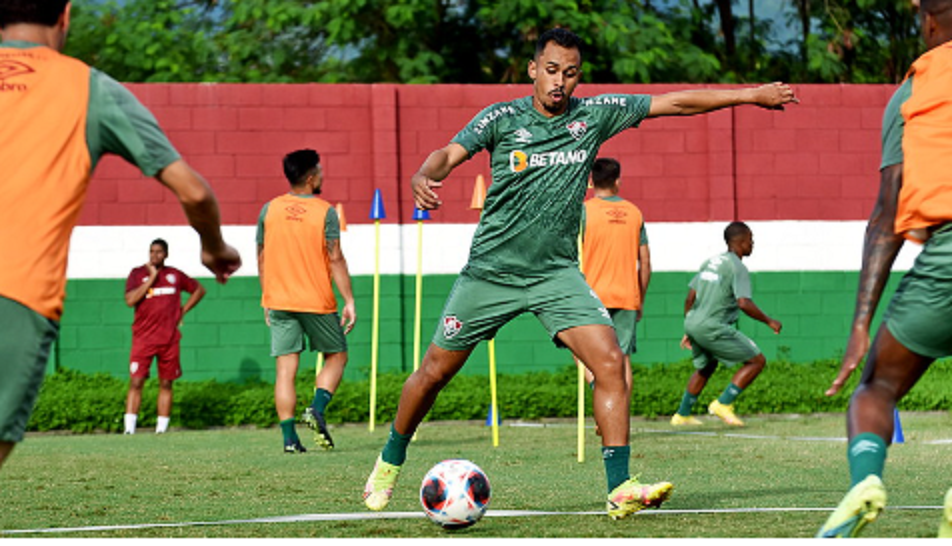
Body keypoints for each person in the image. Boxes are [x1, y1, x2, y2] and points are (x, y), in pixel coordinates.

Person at [361, 27, 798, 519]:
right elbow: (448, 153)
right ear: (533, 69)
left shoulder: (593, 116)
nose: (559, 82)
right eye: (551, 71)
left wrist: (750, 96)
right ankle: (390, 460)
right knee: (434, 373)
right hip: (490, 273)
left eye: (570, 74)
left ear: (578, 77)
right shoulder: (502, 118)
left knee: (610, 361)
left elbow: (671, 103)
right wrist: (424, 174)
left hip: (556, 276)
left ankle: (620, 487)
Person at [0, 0, 241, 470]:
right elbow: (193, 191)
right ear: (65, 15)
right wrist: (214, 247)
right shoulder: (86, 87)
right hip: (15, 292)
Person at [817, 0, 952, 537]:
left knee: (876, 386)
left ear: (928, 23)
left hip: (946, 254)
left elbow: (886, 216)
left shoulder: (914, 94)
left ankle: (866, 482)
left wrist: (859, 325)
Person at [257, 149, 356, 454]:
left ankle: (290, 440)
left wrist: (266, 298)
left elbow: (261, 256)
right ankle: (317, 407)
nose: (323, 175)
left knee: (285, 370)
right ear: (311, 177)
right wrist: (349, 299)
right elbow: (335, 256)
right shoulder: (325, 211)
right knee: (337, 356)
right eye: (321, 171)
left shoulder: (269, 209)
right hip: (315, 300)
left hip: (278, 300)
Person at [671, 222, 782, 427]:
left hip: (694, 322)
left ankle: (682, 415)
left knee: (707, 366)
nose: (753, 244)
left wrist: (690, 328)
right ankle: (723, 403)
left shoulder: (710, 261)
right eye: (751, 240)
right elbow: (743, 303)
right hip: (712, 326)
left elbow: (690, 298)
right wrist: (769, 321)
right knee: (757, 361)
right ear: (741, 241)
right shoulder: (737, 267)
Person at [578, 157, 651, 409]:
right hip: (626, 296)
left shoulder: (583, 211)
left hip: (591, 296)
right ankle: (619, 418)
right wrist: (640, 297)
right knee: (623, 359)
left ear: (591, 181)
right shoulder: (634, 213)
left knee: (579, 350)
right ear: (618, 181)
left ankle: (599, 388)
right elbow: (645, 262)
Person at [123, 239, 206, 435]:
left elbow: (199, 290)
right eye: (152, 251)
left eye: (159, 252)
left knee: (166, 383)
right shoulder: (137, 274)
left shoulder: (174, 275)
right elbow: (130, 300)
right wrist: (151, 278)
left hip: (169, 339)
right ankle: (129, 429)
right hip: (143, 339)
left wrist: (183, 311)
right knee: (136, 381)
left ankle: (161, 430)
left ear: (166, 254)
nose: (155, 255)